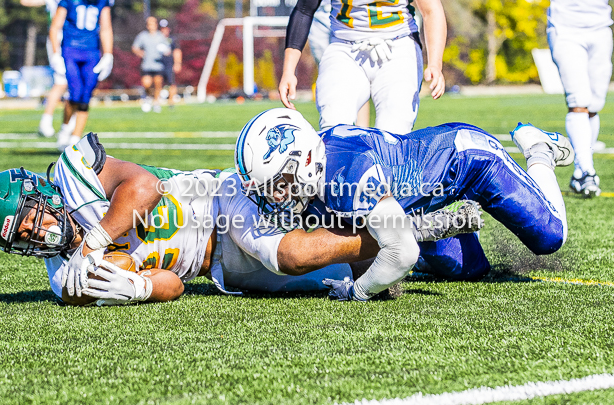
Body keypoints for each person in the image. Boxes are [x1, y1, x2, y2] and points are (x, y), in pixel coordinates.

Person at [0, 134, 477, 305]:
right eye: (23, 237)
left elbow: (144, 185)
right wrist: (137, 289)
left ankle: (409, 220)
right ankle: (430, 239)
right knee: (347, 275)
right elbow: (172, 284)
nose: (38, 232)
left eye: (31, 218)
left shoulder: (78, 175)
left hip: (218, 199)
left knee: (292, 253)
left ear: (41, 192)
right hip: (221, 268)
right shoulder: (66, 282)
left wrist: (98, 237)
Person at [235, 108, 574, 301]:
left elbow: (402, 253)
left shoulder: (347, 174)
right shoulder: (322, 170)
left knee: (550, 237)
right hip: (416, 201)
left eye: (280, 183)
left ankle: (539, 150)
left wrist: (358, 292)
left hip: (469, 162)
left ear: (307, 160)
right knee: (471, 270)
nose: (275, 196)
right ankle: (446, 222)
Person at [279, 0, 447, 134]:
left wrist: (435, 64)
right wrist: (288, 70)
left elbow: (431, 10)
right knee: (334, 124)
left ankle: (384, 175)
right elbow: (304, 9)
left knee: (394, 131)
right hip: (345, 47)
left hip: (398, 45)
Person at [547, 0, 613, 197]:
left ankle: (579, 173)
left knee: (594, 104)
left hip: (601, 27)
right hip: (565, 28)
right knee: (579, 102)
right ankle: (587, 171)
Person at [49, 0, 114, 151]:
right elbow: (55, 27)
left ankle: (74, 138)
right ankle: (65, 129)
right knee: (75, 91)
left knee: (86, 95)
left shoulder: (102, 3)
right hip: (70, 49)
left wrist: (108, 54)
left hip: (91, 52)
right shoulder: (68, 1)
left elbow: (106, 28)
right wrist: (55, 53)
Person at [307, 0, 370, 127]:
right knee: (328, 74)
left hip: (350, 9)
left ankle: (362, 132)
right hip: (319, 11)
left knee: (359, 72)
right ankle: (333, 129)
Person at [19, 0, 77, 139]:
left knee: (74, 84)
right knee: (61, 82)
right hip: (59, 40)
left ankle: (67, 123)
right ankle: (49, 122)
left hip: (76, 40)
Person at [132, 17, 169, 113]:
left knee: (157, 84)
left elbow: (168, 50)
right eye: (149, 24)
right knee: (146, 84)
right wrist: (140, 53)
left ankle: (156, 103)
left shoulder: (161, 36)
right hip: (147, 65)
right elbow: (135, 47)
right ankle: (148, 98)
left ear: (156, 25)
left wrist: (164, 50)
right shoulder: (143, 36)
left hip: (158, 65)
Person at [159, 19, 183, 108]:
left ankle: (171, 102)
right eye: (162, 29)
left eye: (165, 28)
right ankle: (157, 101)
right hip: (158, 64)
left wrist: (178, 63)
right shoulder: (156, 39)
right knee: (158, 82)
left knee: (171, 83)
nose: (164, 31)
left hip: (169, 64)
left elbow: (177, 51)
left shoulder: (172, 39)